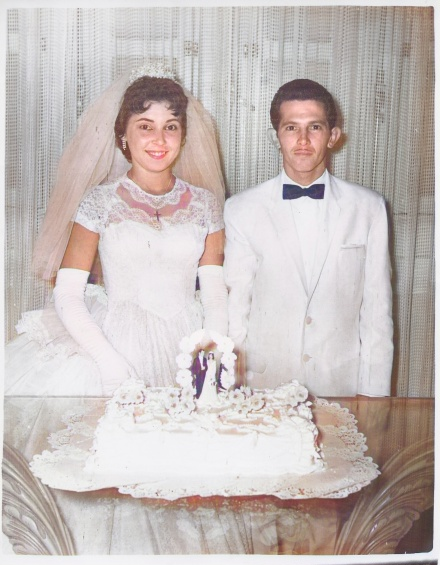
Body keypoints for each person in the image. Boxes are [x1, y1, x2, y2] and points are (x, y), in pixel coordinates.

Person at [5, 65, 228, 397]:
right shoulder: (99, 202)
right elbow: (67, 294)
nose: (159, 140)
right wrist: (107, 362)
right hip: (114, 343)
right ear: (123, 135)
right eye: (145, 126)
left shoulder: (205, 204)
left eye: (170, 127)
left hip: (186, 341)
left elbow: (214, 294)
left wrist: (208, 358)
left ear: (182, 136)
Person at [224, 79, 393, 397]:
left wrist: (374, 397)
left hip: (340, 384)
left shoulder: (368, 208)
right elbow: (237, 311)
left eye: (314, 127)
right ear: (276, 137)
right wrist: (233, 390)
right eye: (291, 128)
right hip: (265, 387)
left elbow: (377, 312)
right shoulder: (241, 209)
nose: (302, 140)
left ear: (333, 136)